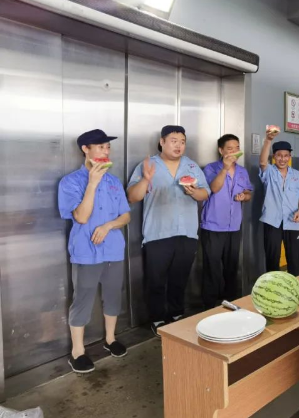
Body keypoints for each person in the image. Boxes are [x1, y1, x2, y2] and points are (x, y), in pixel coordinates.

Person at [58, 129, 131, 373]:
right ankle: (77, 352)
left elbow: (126, 216)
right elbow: (80, 217)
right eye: (100, 147)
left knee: (113, 295)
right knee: (82, 299)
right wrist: (92, 183)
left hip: (113, 249)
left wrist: (109, 225)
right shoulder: (70, 182)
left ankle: (110, 339)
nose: (106, 151)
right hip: (86, 251)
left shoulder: (114, 182)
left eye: (107, 147)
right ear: (85, 149)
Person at [127, 125, 210, 337]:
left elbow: (205, 193)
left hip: (187, 233)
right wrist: (146, 179)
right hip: (157, 233)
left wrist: (194, 192)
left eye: (182, 142)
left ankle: (176, 314)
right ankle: (157, 318)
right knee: (155, 281)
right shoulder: (147, 165)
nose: (179, 145)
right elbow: (132, 197)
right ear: (162, 142)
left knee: (179, 279)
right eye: (174, 141)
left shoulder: (191, 166)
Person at [200, 134, 253, 308]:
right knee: (212, 267)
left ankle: (231, 303)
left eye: (237, 148)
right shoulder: (211, 168)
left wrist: (244, 196)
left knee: (231, 267)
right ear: (221, 150)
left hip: (234, 226)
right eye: (230, 149)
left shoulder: (242, 171)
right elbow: (214, 188)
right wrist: (224, 169)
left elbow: (248, 193)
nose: (234, 152)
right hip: (213, 226)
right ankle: (209, 306)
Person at [259, 128, 299, 276]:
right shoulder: (269, 172)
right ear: (274, 156)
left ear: (290, 157)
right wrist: (268, 140)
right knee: (272, 260)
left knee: (294, 260)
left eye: (286, 156)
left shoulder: (298, 175)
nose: (282, 159)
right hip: (272, 222)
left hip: (292, 221)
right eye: (279, 155)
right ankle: (272, 286)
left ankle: (293, 286)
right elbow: (262, 162)